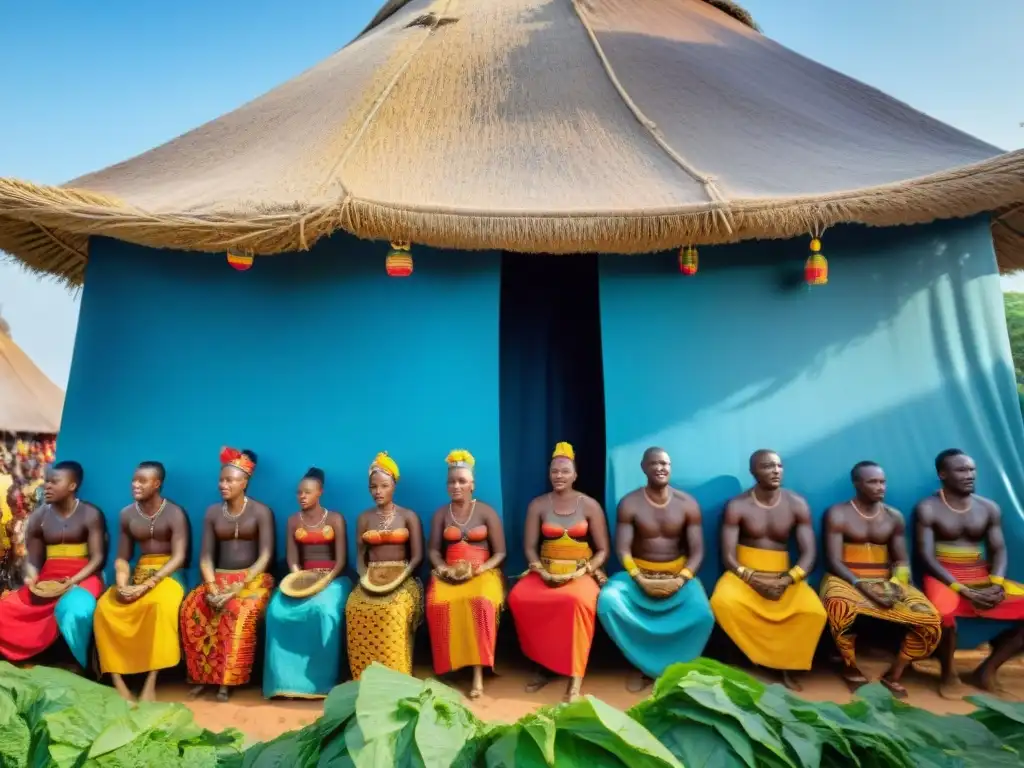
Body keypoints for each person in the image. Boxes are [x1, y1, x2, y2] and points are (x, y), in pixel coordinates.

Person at [597, 447, 716, 692]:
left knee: (703, 614)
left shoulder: (687, 504)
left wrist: (680, 580)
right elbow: (623, 550)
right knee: (608, 601)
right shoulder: (630, 503)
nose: (661, 468)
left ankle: (677, 668)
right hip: (637, 575)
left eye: (665, 464)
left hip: (679, 575)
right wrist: (639, 578)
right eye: (655, 464)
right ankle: (640, 665)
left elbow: (697, 552)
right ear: (644, 468)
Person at [820, 461, 941, 698]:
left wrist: (896, 586)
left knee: (930, 618)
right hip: (846, 578)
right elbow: (834, 561)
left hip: (885, 580)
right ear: (856, 484)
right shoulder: (838, 513)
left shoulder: (894, 516)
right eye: (872, 482)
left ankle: (895, 673)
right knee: (838, 605)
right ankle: (850, 667)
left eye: (882, 481)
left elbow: (901, 561)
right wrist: (862, 586)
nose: (880, 487)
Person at [710, 449, 826, 690]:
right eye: (767, 466)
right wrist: (751, 577)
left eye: (779, 466)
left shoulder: (796, 503)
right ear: (753, 472)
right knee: (723, 601)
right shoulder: (738, 505)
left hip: (784, 575)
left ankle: (785, 665)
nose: (775, 471)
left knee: (813, 612)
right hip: (743, 574)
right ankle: (750, 661)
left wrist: (788, 579)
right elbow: (728, 556)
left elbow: (809, 554)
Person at [916, 449, 1024, 697]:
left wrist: (996, 583)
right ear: (943, 474)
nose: (969, 475)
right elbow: (926, 556)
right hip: (944, 576)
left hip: (980, 574)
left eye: (972, 469)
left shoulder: (988, 508)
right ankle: (948, 673)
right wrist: (960, 588)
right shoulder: (928, 508)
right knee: (942, 613)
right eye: (961, 470)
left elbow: (998, 549)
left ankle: (987, 670)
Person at [508, 442, 610, 702]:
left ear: (575, 474)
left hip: (581, 572)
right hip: (545, 570)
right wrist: (541, 571)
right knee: (520, 597)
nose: (559, 476)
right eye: (554, 471)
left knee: (576, 602)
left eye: (565, 471)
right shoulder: (538, 505)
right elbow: (530, 547)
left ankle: (575, 676)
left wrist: (583, 571)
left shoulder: (589, 505)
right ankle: (544, 665)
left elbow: (602, 551)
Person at [180, 447, 275, 703]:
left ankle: (227, 680)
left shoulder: (261, 512)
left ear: (244, 482)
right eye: (221, 479)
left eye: (230, 480)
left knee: (238, 611)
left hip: (252, 579)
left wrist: (238, 586)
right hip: (218, 578)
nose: (223, 485)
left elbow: (265, 556)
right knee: (193, 608)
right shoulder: (212, 513)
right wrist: (211, 586)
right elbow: (206, 556)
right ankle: (202, 676)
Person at [93, 461, 189, 702]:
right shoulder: (127, 514)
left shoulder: (175, 513)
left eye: (142, 481)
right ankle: (118, 682)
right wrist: (123, 583)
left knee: (158, 606)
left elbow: (179, 557)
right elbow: (123, 557)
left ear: (156, 484)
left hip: (168, 575)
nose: (135, 485)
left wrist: (149, 584)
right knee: (105, 608)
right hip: (138, 572)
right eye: (134, 480)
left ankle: (150, 683)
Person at [0, 461, 105, 667]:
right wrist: (31, 577)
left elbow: (97, 558)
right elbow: (34, 559)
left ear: (72, 486)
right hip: (47, 580)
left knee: (74, 609)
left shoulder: (91, 514)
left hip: (84, 578)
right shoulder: (39, 516)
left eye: (54, 482)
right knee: (5, 608)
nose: (47, 486)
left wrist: (72, 581)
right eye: (47, 481)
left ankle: (78, 665)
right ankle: (24, 659)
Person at [263, 467, 351, 699]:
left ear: (319, 492)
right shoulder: (293, 521)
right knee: (276, 611)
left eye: (307, 492)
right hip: (301, 577)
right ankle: (284, 682)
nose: (302, 496)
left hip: (334, 578)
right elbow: (292, 558)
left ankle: (320, 682)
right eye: (298, 492)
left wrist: (324, 582)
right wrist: (298, 580)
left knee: (324, 610)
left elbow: (341, 559)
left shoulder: (335, 518)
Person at [425, 450, 506, 698]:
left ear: (473, 484)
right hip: (449, 572)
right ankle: (450, 666)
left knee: (480, 603)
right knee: (437, 603)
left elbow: (500, 552)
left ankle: (478, 672)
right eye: (451, 481)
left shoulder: (486, 512)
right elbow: (434, 551)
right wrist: (443, 568)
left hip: (483, 572)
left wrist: (480, 569)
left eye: (462, 481)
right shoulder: (441, 514)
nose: (456, 486)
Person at [345, 452, 424, 679]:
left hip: (403, 575)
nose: (378, 491)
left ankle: (396, 674)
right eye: (373, 487)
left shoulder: (409, 516)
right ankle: (364, 676)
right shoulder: (364, 518)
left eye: (384, 486)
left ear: (394, 486)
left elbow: (417, 556)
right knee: (356, 608)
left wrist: (401, 577)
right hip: (371, 576)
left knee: (392, 609)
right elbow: (360, 554)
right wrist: (362, 577)